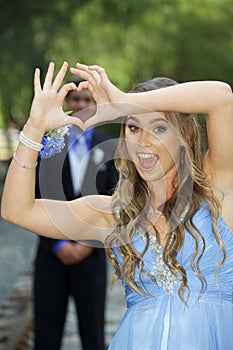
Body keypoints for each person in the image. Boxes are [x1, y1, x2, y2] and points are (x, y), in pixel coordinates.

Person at [1, 61, 233, 350]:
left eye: (159, 127)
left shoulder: (217, 191)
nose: (143, 141)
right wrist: (34, 128)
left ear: (185, 134)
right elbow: (16, 210)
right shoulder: (113, 214)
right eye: (133, 127)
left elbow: (222, 98)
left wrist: (125, 102)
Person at [33, 76, 118, 350]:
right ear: (67, 104)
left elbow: (115, 200)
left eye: (87, 99)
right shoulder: (47, 143)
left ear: (95, 104)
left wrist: (86, 244)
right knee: (47, 332)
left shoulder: (109, 146)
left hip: (91, 254)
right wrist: (58, 242)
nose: (81, 104)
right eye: (75, 99)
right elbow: (34, 194)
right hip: (51, 252)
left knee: (92, 333)